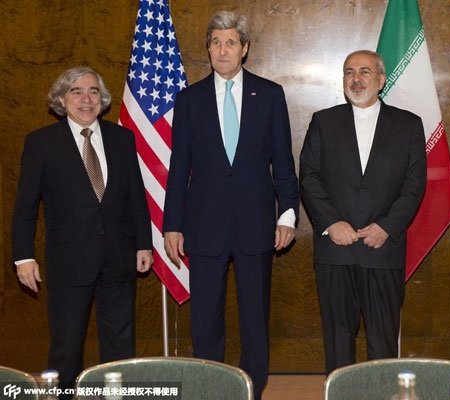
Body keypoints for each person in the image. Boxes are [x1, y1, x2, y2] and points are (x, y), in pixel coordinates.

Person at [162, 11, 299, 399]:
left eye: (230, 42)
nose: (222, 49)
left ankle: (252, 390)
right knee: (205, 320)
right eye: (215, 42)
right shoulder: (188, 99)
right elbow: (179, 167)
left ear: (245, 49)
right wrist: (173, 224)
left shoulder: (270, 94)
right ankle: (213, 388)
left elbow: (283, 162)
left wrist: (287, 213)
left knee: (254, 318)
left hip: (257, 225)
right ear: (208, 49)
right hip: (203, 226)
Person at [12, 66, 153, 393]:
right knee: (66, 348)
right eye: (76, 91)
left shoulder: (122, 138)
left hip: (119, 259)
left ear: (102, 99)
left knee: (120, 349)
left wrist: (143, 244)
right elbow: (25, 209)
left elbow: (135, 197)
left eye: (92, 91)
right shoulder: (42, 143)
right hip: (69, 264)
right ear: (62, 99)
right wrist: (23, 258)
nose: (85, 99)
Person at [299, 50, 426, 373]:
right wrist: (330, 223)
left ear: (381, 80)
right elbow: (309, 177)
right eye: (349, 72)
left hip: (383, 248)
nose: (356, 79)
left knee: (383, 341)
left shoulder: (409, 125)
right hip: (335, 250)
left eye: (365, 72)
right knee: (338, 338)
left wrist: (386, 227)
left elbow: (414, 185)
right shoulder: (324, 121)